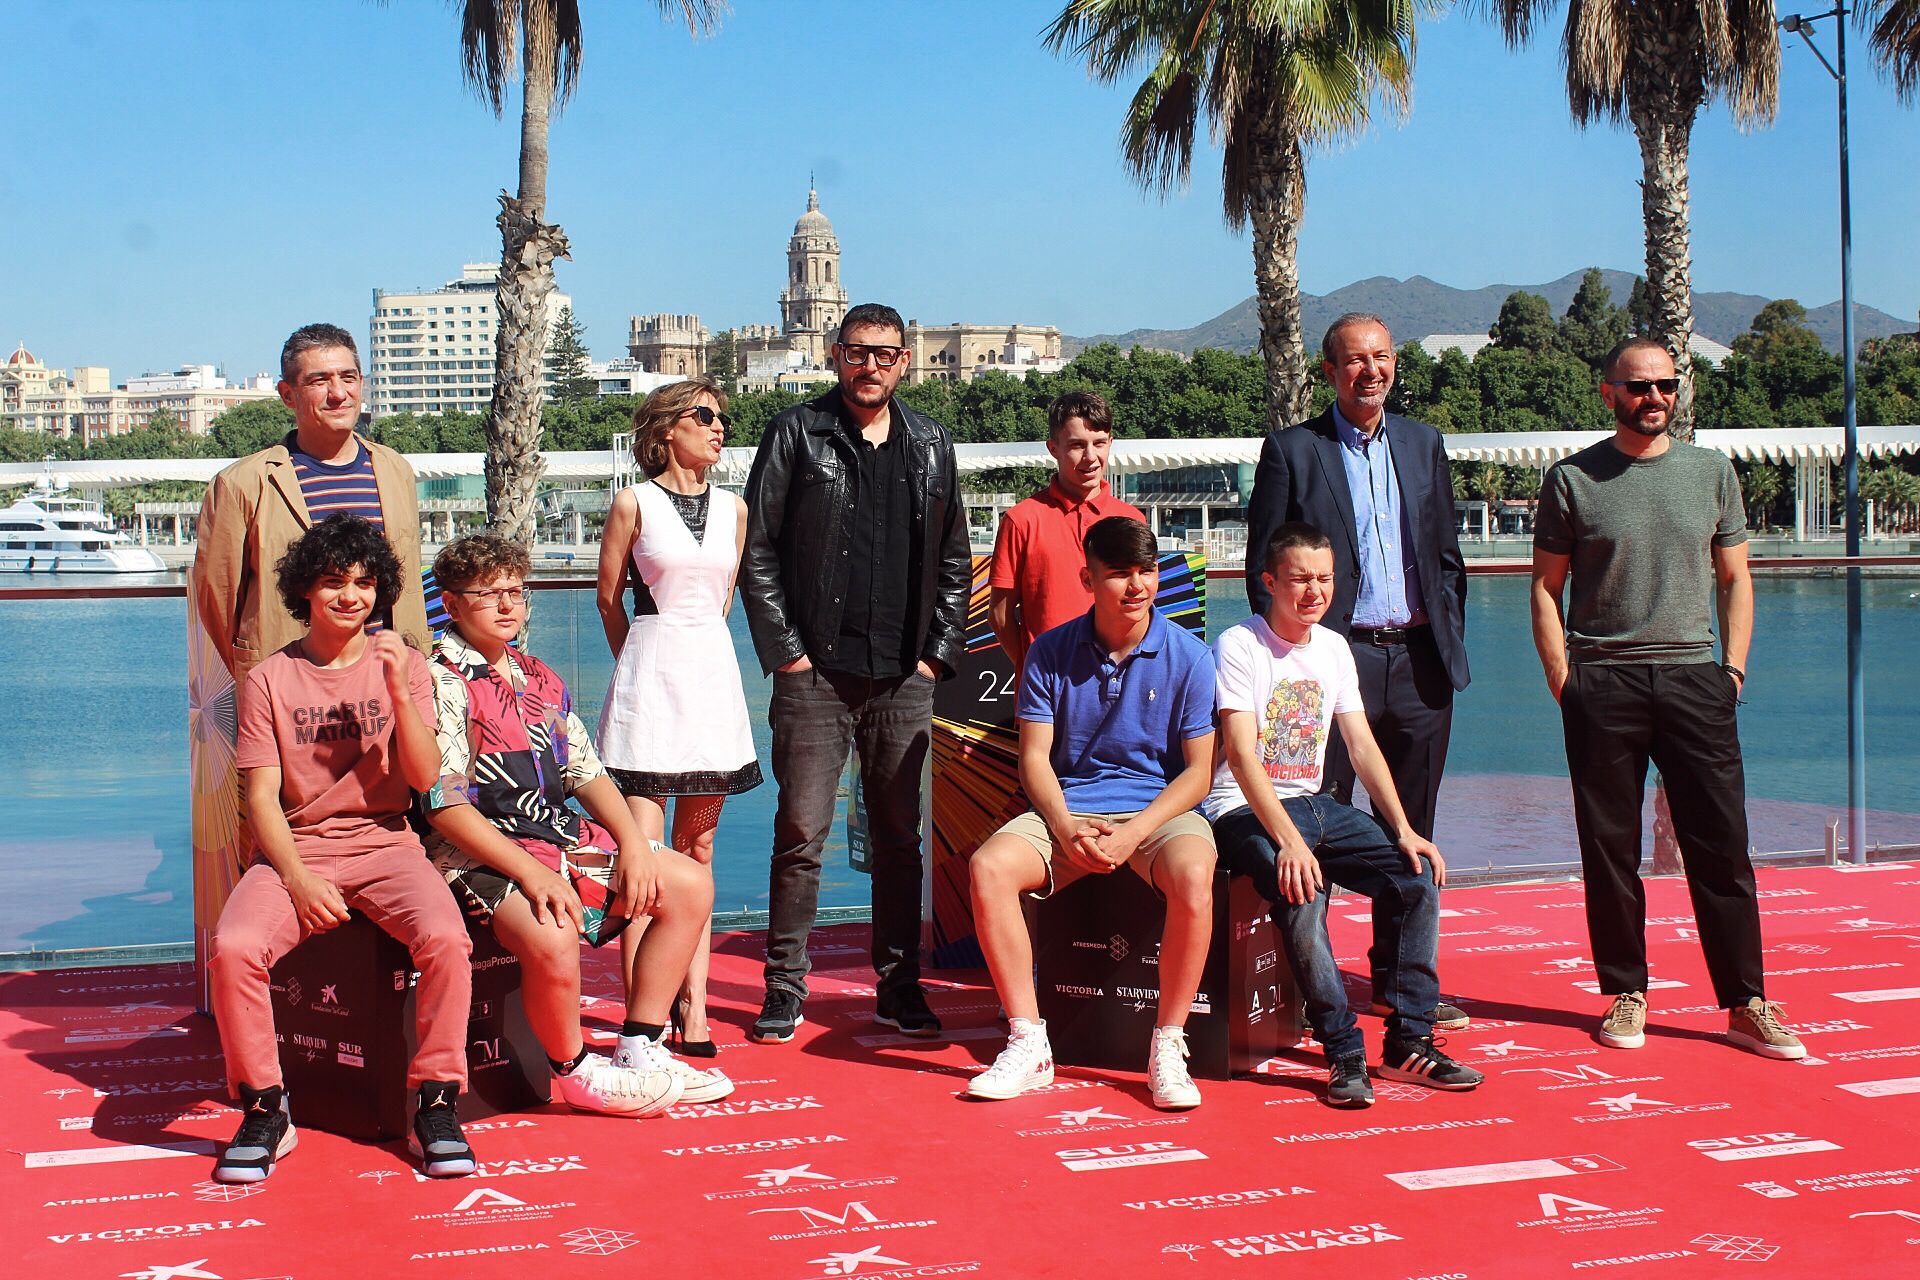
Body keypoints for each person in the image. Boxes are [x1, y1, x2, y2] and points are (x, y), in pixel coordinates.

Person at [1531, 336, 1805, 1061]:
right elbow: (1546, 588)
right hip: (1604, 683)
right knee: (1609, 849)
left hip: (1695, 680)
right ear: (1608, 393)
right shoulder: (1572, 479)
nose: (1653, 397)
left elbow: (1736, 579)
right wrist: (1568, 682)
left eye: (1664, 385)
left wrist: (1733, 672)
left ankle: (1746, 1003)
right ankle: (1627, 991)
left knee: (1722, 848)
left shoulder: (1712, 473)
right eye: (1638, 386)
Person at [423, 534, 733, 1114]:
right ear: (452, 602)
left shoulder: (540, 678)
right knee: (552, 930)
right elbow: (445, 804)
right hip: (471, 851)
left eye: (516, 591)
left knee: (688, 884)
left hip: (552, 831)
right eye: (489, 594)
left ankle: (640, 1043)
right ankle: (574, 1067)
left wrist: (636, 846)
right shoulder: (437, 682)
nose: (508, 605)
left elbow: (585, 774)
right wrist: (531, 875)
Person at [206, 515, 473, 1182]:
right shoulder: (269, 678)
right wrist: (296, 879)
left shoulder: (405, 663)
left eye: (363, 583)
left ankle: (436, 1101)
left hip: (386, 844)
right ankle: (267, 1107)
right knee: (235, 948)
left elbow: (422, 777)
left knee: (448, 939)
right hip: (296, 846)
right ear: (306, 591)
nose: (350, 595)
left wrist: (395, 694)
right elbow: (261, 798)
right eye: (333, 583)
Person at [740, 302, 971, 1044]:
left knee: (900, 839)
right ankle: (784, 987)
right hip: (816, 676)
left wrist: (937, 656)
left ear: (904, 361)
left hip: (904, 676)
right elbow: (759, 549)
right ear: (836, 357)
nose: (871, 365)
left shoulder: (932, 445)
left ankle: (900, 988)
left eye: (885, 354)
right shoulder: (795, 434)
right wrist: (788, 654)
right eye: (857, 352)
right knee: (800, 833)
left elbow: (957, 560)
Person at [1243, 312, 1470, 1032]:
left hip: (1419, 661)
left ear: (1394, 363)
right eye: (1352, 361)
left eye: (1380, 358)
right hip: (1328, 662)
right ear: (1328, 371)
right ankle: (1314, 991)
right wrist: (1290, 660)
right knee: (1316, 823)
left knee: (1409, 831)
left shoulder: (1423, 442)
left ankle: (1402, 989)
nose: (1369, 371)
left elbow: (1445, 557)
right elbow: (1261, 569)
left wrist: (1447, 633)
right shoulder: (1293, 450)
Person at [1209, 522, 1483, 1109]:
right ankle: (1343, 1051)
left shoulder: (1333, 647)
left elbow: (1360, 744)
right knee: (1303, 892)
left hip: (1317, 804)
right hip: (1242, 808)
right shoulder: (1239, 644)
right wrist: (1287, 842)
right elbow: (1238, 752)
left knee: (1415, 877)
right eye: (1299, 579)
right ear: (1268, 582)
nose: (1313, 591)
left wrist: (1405, 829)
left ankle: (1409, 1042)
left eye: (1324, 579)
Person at [966, 517, 1218, 1109]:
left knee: (1193, 874)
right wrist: (1064, 824)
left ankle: (1169, 1044)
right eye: (1120, 574)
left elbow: (1198, 773)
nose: (1137, 586)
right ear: (1088, 578)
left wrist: (1134, 832)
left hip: (1157, 813)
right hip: (1069, 808)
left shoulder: (1190, 656)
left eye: (1147, 572)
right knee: (988, 868)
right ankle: (1030, 1042)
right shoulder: (1049, 651)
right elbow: (1034, 759)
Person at [596, 378, 761, 1056]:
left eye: (722, 418)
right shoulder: (632, 503)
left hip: (711, 682)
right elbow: (610, 601)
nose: (718, 428)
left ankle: (692, 1007)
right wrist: (637, 663)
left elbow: (721, 599)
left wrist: (691, 653)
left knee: (699, 850)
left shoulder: (735, 509)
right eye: (704, 417)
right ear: (667, 430)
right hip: (649, 682)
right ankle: (644, 1016)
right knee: (643, 855)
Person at [195, 323, 427, 684]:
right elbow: (218, 600)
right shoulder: (243, 484)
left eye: (348, 377)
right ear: (288, 394)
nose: (338, 393)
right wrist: (261, 670)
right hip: (292, 687)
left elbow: (406, 576)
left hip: (388, 679)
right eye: (319, 381)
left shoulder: (395, 470)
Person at [989, 390, 1147, 676]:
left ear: (1111, 443)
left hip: (1122, 689)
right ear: (1053, 448)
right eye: (1077, 445)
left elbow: (1141, 610)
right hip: (1048, 696)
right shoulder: (1021, 520)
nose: (1090, 457)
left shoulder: (1132, 519)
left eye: (1099, 443)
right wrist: (1036, 669)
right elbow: (1000, 617)